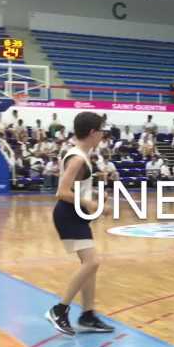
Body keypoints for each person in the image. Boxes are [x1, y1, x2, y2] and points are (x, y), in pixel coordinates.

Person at [45, 112, 115, 335]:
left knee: (90, 265)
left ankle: (87, 315)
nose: (104, 134)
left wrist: (94, 199)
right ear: (93, 132)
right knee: (92, 262)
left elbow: (74, 189)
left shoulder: (80, 155)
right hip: (68, 214)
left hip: (74, 212)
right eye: (102, 130)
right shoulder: (77, 158)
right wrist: (92, 204)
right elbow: (62, 192)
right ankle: (59, 309)